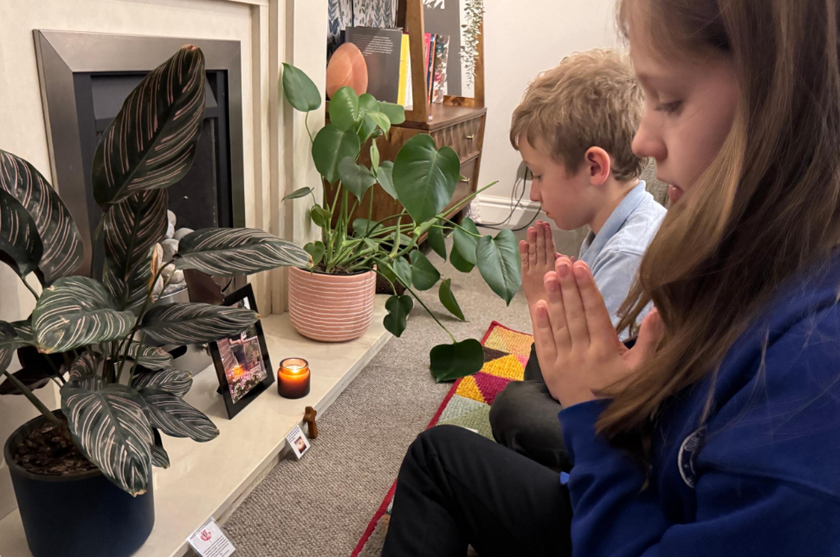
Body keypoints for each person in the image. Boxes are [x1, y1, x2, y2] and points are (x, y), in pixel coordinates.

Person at [382, 0, 840, 555]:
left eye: (669, 100)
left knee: (497, 418)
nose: (643, 141)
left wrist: (592, 408)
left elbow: (589, 400)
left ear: (782, 103)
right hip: (641, 487)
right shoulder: (754, 269)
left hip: (623, 500)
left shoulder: (809, 372)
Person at [490, 49, 666, 471]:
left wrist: (540, 301)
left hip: (628, 442)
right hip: (608, 395)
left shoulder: (628, 256)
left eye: (538, 174)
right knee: (530, 380)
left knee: (512, 409)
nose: (535, 193)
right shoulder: (618, 225)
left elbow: (580, 388)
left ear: (594, 167)